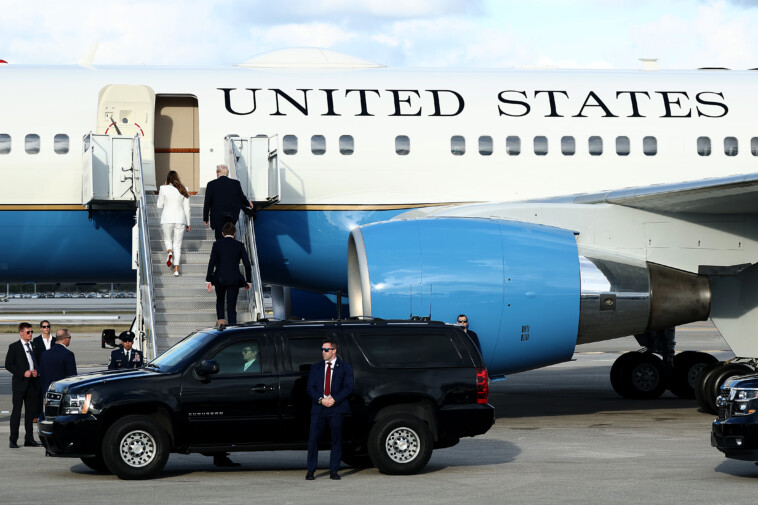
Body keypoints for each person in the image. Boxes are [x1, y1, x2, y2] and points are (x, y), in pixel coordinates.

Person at [305, 339, 354, 481]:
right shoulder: (316, 368)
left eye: (326, 350)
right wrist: (321, 399)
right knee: (313, 439)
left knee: (336, 440)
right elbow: (310, 388)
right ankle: (310, 470)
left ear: (334, 351)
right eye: (322, 349)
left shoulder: (345, 367)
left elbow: (348, 387)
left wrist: (334, 399)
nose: (323, 352)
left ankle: (334, 470)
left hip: (336, 409)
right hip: (319, 408)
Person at [205, 222, 252, 325]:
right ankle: (232, 330)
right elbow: (247, 265)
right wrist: (248, 281)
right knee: (231, 307)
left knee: (220, 301)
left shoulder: (217, 244)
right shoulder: (240, 245)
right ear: (234, 233)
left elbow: (212, 262)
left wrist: (208, 280)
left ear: (222, 233)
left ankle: (220, 327)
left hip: (219, 278)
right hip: (234, 279)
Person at [4, 322, 41, 448]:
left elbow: (37, 362)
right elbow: (8, 365)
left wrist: (36, 371)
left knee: (30, 413)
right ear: (21, 333)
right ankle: (13, 439)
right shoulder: (14, 347)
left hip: (32, 383)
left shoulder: (34, 346)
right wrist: (22, 373)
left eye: (31, 332)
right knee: (17, 412)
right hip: (20, 384)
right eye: (28, 332)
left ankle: (29, 439)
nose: (30, 334)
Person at [203, 164, 256, 241]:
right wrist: (248, 203)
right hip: (231, 216)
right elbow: (242, 197)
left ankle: (221, 251)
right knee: (230, 238)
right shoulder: (235, 183)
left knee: (219, 239)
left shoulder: (211, 184)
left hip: (217, 218)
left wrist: (205, 218)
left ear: (218, 174)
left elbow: (207, 202)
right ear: (227, 173)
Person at [157, 170, 191, 277]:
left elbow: (159, 206)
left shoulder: (163, 188)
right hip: (180, 219)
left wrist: (163, 188)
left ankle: (169, 252)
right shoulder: (183, 189)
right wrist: (188, 223)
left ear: (167, 179)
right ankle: (176, 270)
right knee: (178, 245)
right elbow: (187, 209)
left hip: (167, 219)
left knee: (167, 239)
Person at [39, 329, 77, 408]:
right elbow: (72, 376)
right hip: (62, 393)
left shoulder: (45, 354)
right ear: (66, 339)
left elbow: (42, 374)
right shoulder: (68, 354)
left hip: (47, 391)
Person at [32, 319, 56, 418]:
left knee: (52, 394)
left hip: (52, 372)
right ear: (41, 328)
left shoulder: (55, 340)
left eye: (48, 326)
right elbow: (35, 357)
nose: (47, 328)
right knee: (38, 394)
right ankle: (37, 415)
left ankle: (52, 414)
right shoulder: (36, 340)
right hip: (41, 371)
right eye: (45, 327)